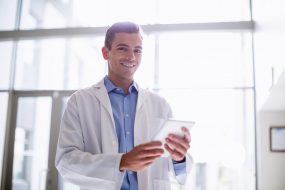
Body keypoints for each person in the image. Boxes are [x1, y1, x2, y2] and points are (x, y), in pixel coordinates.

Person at [55, 21, 193, 190]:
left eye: (137, 50)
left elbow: (178, 173)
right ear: (106, 53)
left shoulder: (160, 104)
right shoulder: (80, 101)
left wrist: (179, 157)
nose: (131, 57)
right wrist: (121, 162)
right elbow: (66, 161)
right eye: (122, 48)